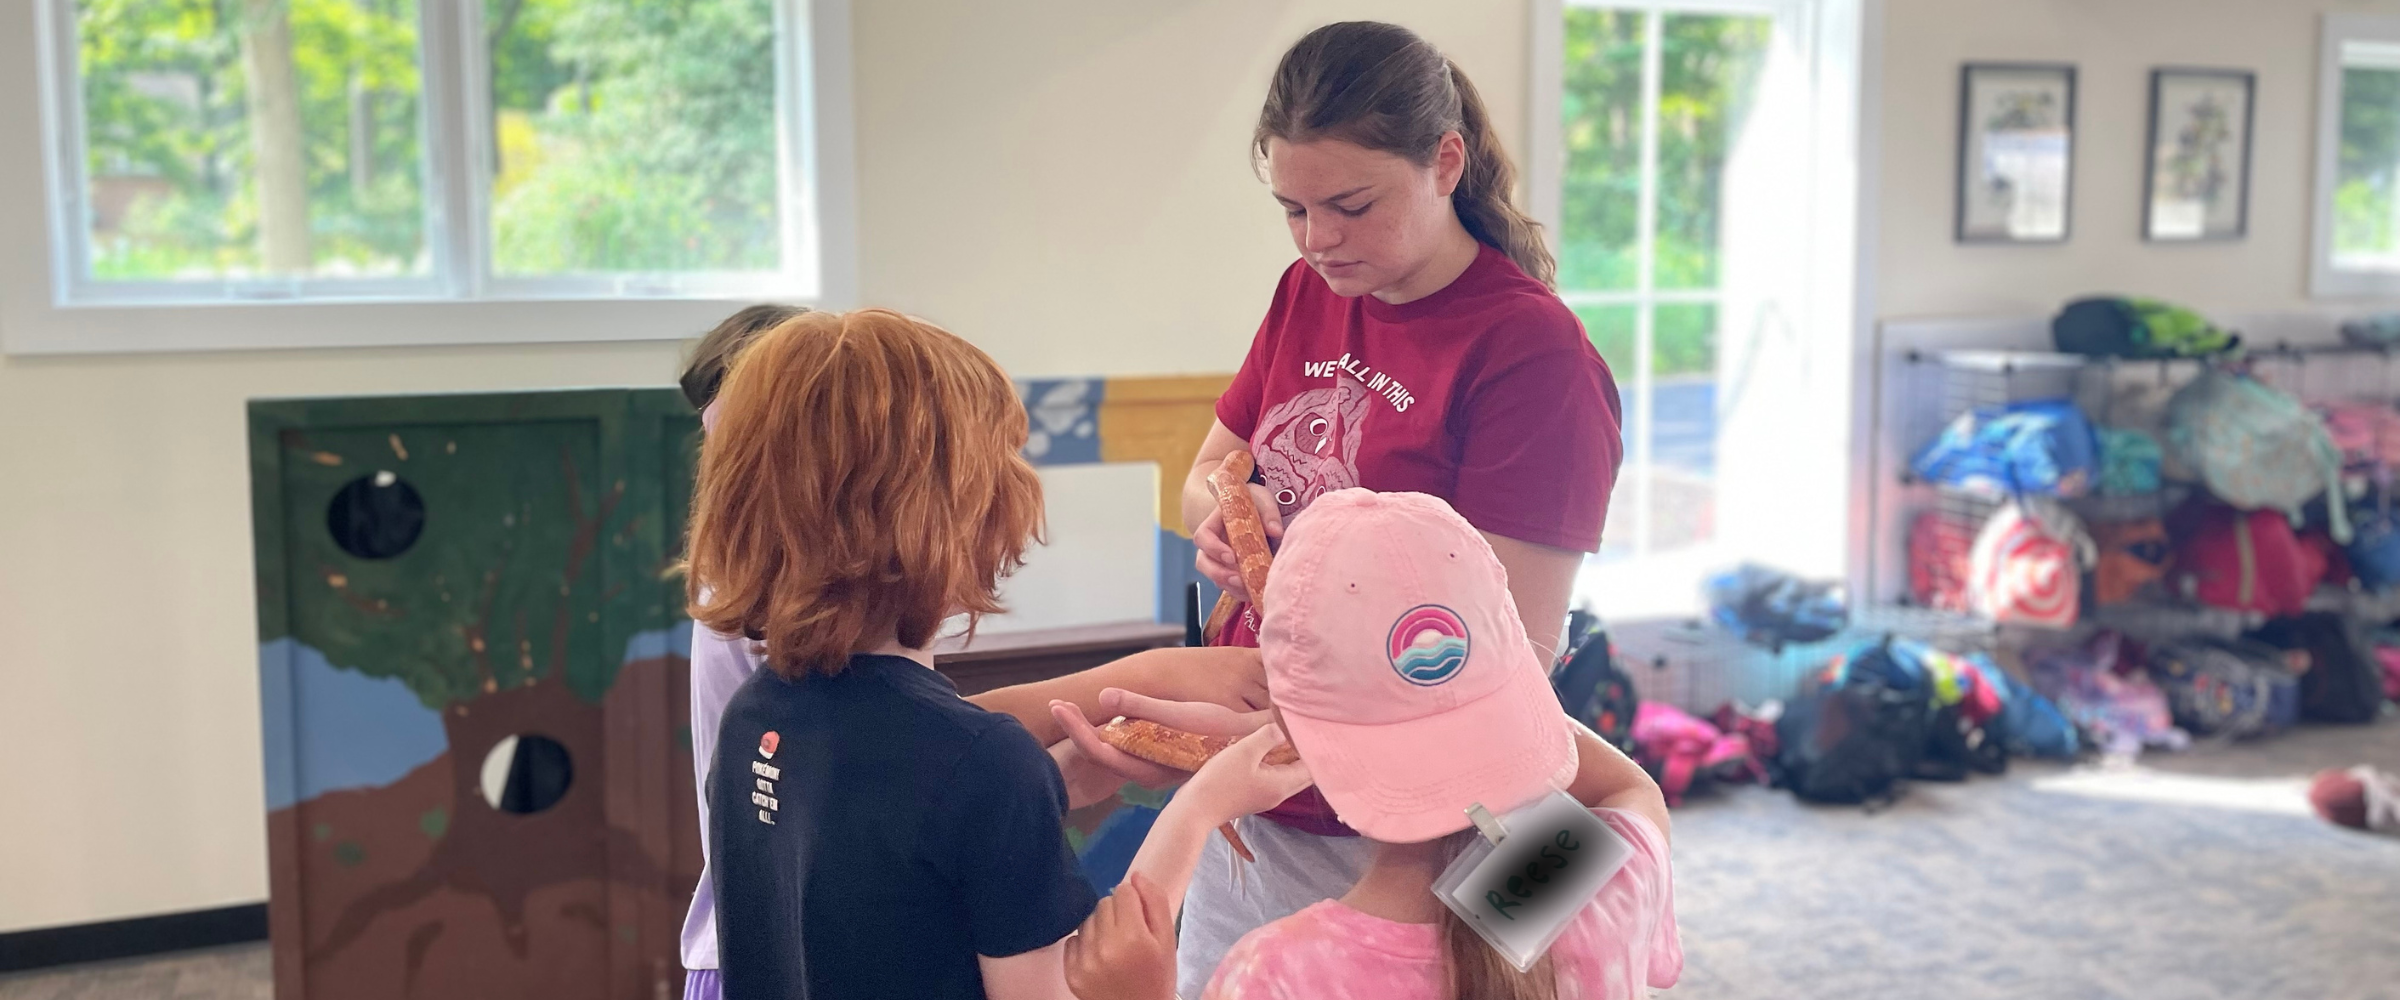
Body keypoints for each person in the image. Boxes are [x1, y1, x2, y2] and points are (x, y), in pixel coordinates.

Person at [1174, 21, 1626, 995]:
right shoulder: (1306, 291)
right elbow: (1207, 471)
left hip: (1421, 822)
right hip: (1271, 787)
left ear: (1445, 163)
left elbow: (1515, 646)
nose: (1317, 238)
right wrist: (1226, 510)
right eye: (1291, 208)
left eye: (1349, 205)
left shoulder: (1531, 354)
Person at [674, 306, 1269, 1000]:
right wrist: (1202, 810)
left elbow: (902, 836)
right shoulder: (983, 763)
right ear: (964, 514)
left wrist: (1067, 776)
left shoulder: (756, 715)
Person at [1068, 490, 1677, 1000]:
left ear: (1291, 728)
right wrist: (1473, 706)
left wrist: (1198, 807)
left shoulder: (1280, 973)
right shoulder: (1598, 878)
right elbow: (1630, 787)